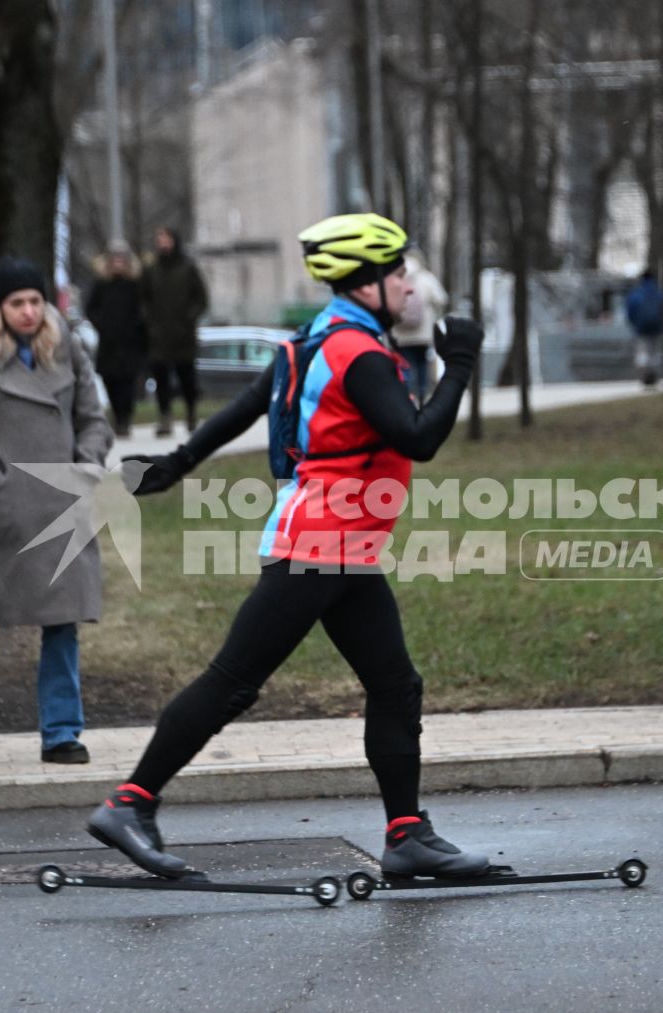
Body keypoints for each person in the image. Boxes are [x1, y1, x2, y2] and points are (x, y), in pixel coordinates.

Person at [85, 212, 495, 880]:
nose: (408, 286)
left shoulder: (319, 339)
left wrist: (178, 461)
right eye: (397, 273)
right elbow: (417, 437)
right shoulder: (358, 354)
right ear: (365, 283)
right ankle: (129, 805)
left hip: (344, 546)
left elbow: (248, 404)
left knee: (395, 684)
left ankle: (407, 833)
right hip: (321, 542)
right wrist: (461, 365)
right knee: (232, 682)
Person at [0, 256, 114, 769]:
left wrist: (85, 464)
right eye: (17, 302)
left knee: (62, 623)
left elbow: (94, 420)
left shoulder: (67, 351)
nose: (29, 311)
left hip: (63, 503)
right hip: (3, 511)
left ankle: (61, 732)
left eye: (36, 301)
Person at [141, 225, 209, 437]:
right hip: (159, 336)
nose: (163, 243)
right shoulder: (151, 270)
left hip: (183, 335)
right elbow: (143, 299)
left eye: (166, 238)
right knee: (161, 379)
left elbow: (201, 298)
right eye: (159, 239)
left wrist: (189, 318)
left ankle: (191, 413)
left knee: (186, 377)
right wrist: (150, 322)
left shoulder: (188, 268)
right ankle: (165, 417)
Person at [84, 241, 148, 436]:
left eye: (122, 259)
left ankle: (125, 418)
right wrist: (102, 324)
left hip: (130, 342)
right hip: (109, 342)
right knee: (110, 380)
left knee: (127, 382)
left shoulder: (135, 285)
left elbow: (144, 308)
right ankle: (117, 414)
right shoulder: (101, 284)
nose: (118, 263)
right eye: (115, 259)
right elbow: (91, 308)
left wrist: (137, 326)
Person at [397, 247, 447, 399]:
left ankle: (407, 394)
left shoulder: (396, 277)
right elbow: (441, 299)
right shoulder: (426, 277)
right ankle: (422, 395)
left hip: (401, 333)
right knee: (422, 362)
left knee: (406, 363)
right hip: (423, 332)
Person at [625, 269, 663, 387]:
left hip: (641, 328)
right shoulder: (659, 293)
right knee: (656, 351)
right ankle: (654, 374)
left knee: (643, 351)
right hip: (657, 328)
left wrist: (634, 324)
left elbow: (630, 312)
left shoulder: (636, 294)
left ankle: (644, 376)